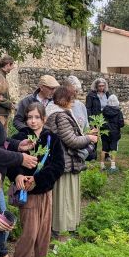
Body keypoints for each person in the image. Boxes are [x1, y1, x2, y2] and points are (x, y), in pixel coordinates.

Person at [8, 102, 65, 257]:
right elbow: (11, 161)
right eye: (29, 117)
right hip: (27, 193)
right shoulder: (20, 138)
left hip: (45, 191)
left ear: (44, 119)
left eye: (37, 117)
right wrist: (17, 174)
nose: (33, 121)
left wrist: (39, 180)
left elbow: (58, 165)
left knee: (44, 233)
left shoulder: (52, 138)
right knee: (30, 233)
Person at [45, 85, 98, 235]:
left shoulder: (55, 112)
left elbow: (68, 135)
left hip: (64, 161)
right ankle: (63, 232)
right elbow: (71, 140)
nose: (73, 102)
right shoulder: (60, 115)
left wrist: (86, 134)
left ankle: (62, 229)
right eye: (71, 98)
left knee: (64, 198)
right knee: (65, 199)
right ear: (64, 100)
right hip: (65, 162)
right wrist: (89, 138)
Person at [101, 95, 124, 171]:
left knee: (104, 149)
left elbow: (100, 121)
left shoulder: (104, 110)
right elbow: (121, 124)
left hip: (105, 131)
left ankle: (102, 165)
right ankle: (113, 166)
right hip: (115, 132)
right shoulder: (118, 112)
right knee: (113, 149)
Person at [0, 55, 16, 125]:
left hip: (2, 113)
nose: (13, 67)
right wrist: (9, 104)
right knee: (0, 135)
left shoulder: (1, 75)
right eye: (12, 65)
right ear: (8, 65)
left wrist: (11, 102)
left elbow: (2, 94)